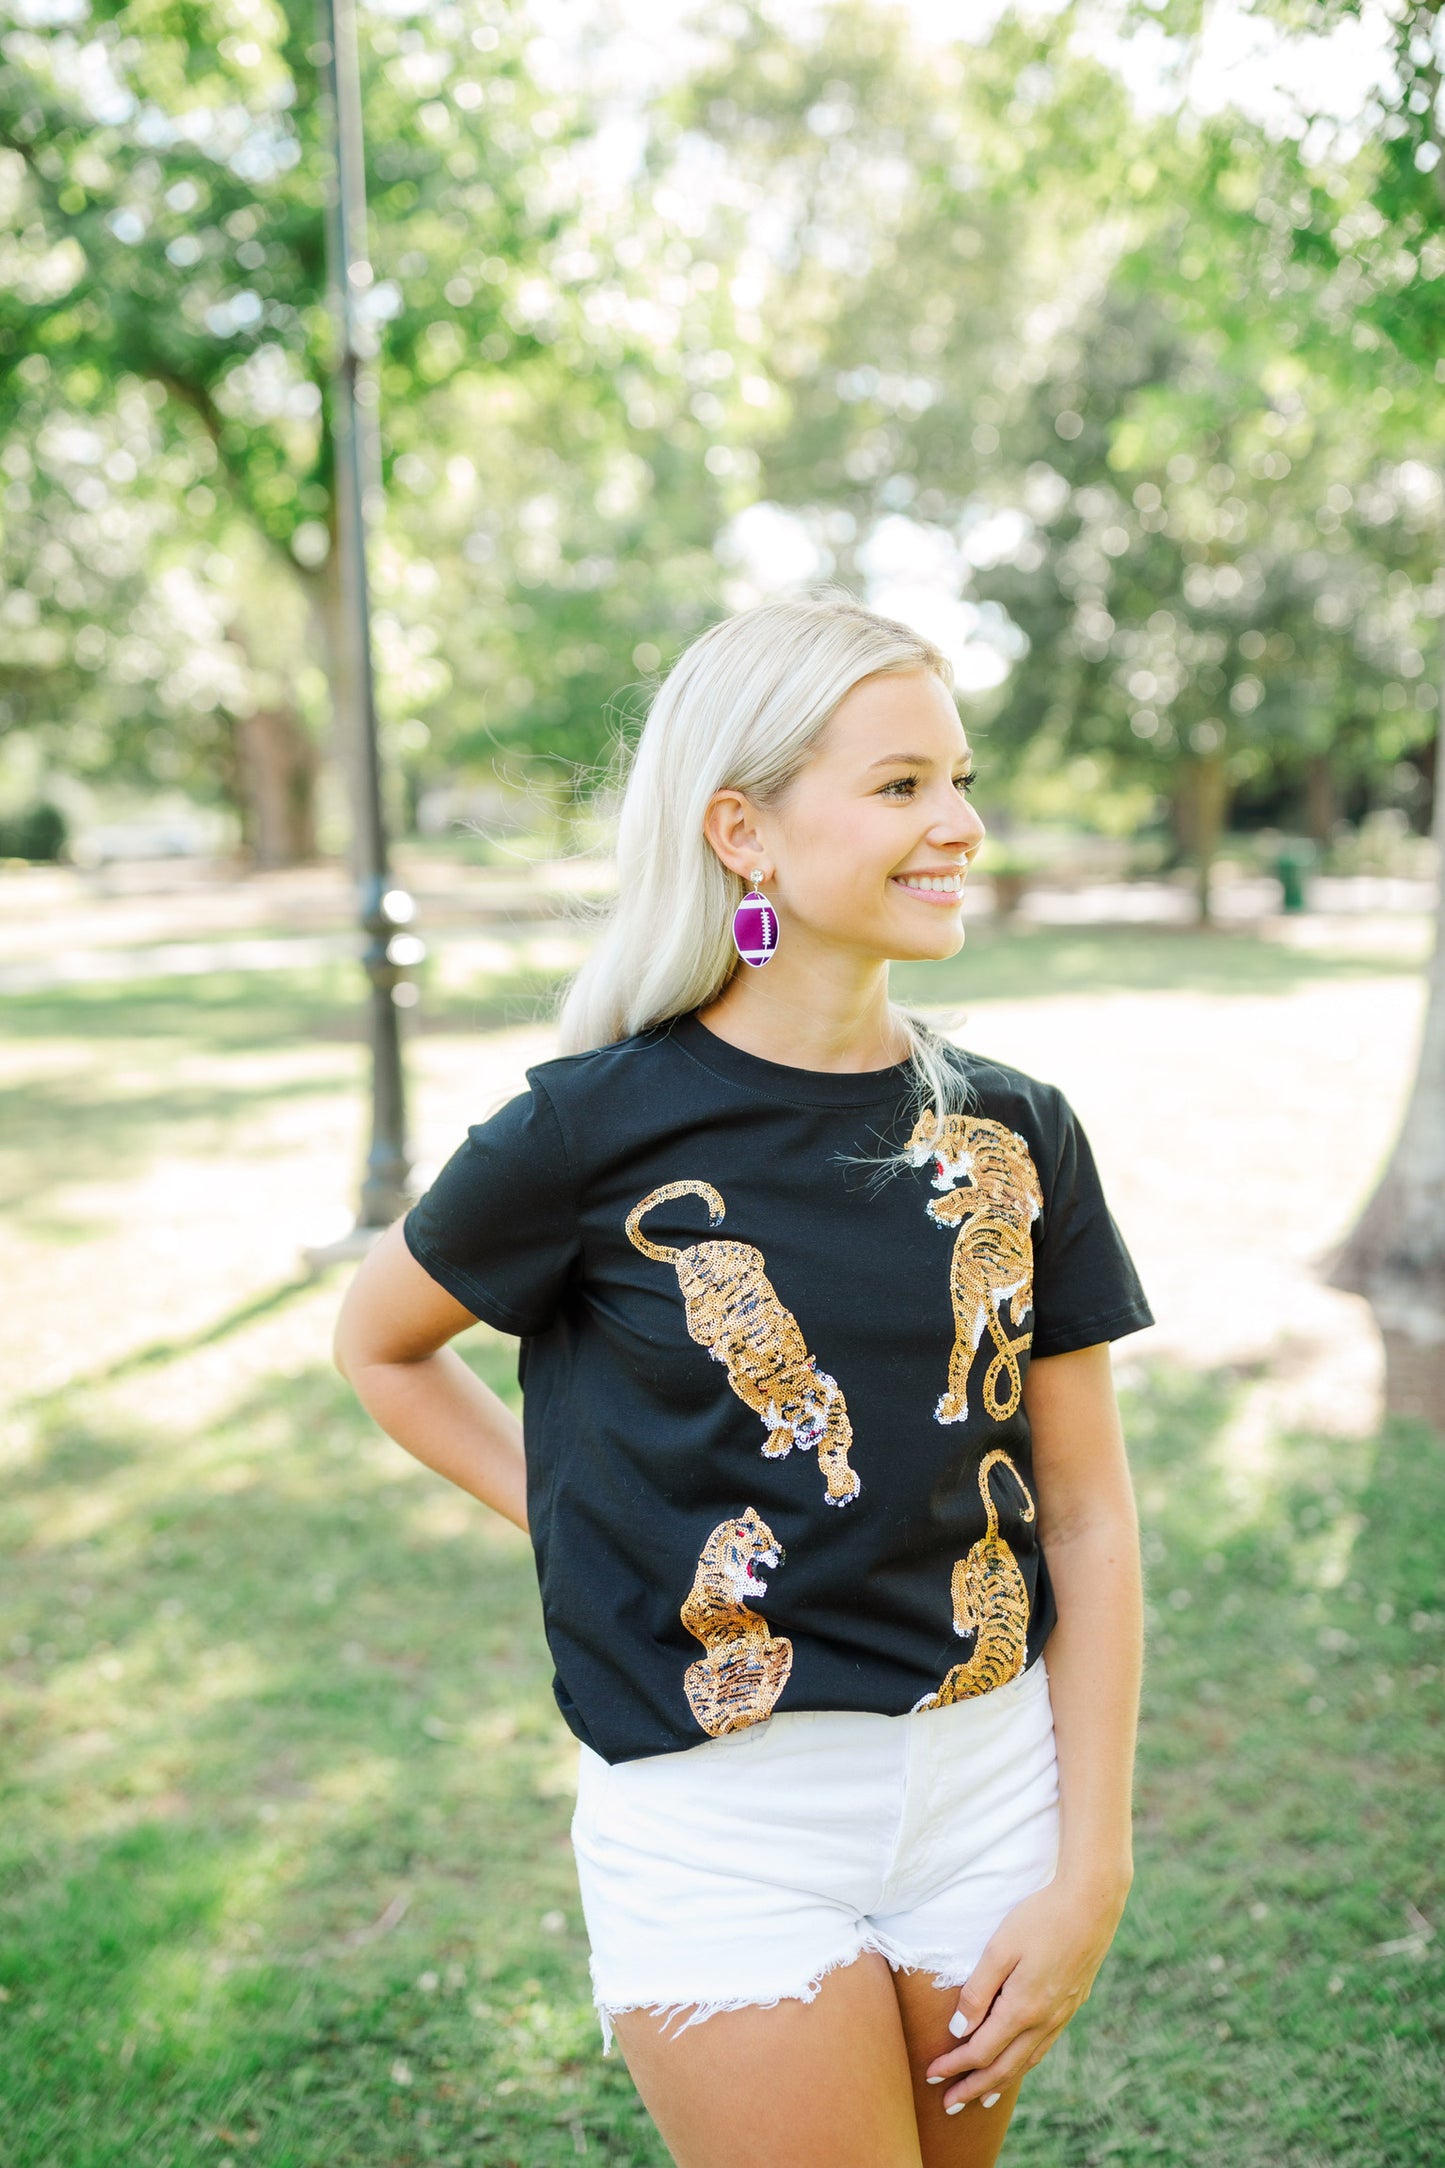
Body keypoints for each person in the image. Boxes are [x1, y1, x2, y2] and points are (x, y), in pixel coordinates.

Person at [332, 597, 1153, 2168]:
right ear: (743, 834)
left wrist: (1090, 1862)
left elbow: (1087, 1512)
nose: (962, 825)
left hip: (989, 1789)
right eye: (902, 786)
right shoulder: (587, 1131)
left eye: (959, 779)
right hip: (720, 1821)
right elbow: (380, 1344)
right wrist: (579, 1521)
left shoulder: (1014, 1132)